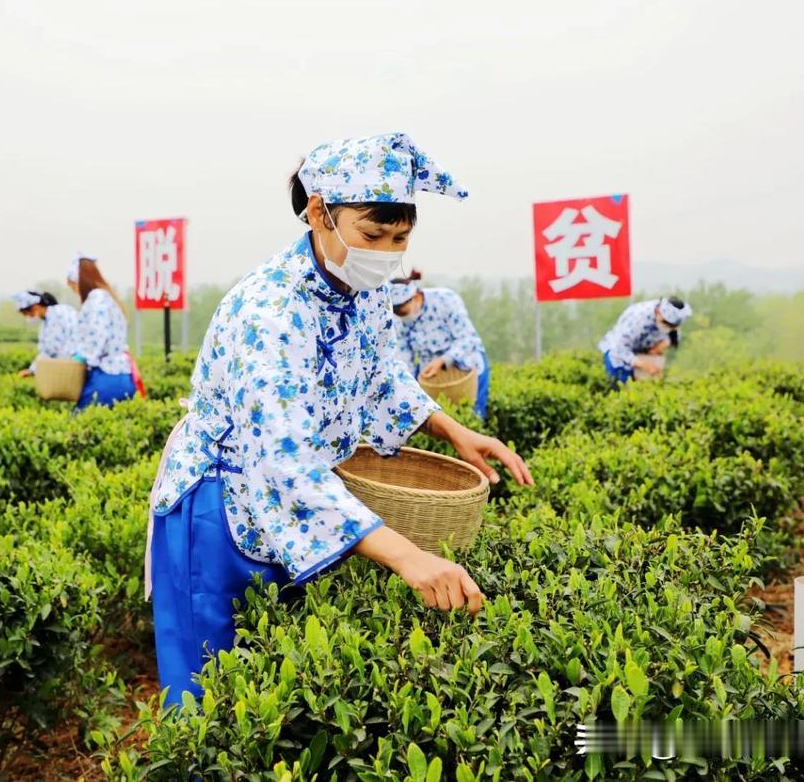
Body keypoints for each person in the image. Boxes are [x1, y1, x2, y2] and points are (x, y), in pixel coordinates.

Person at [147, 132, 533, 706]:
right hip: (222, 512)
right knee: (214, 703)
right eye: (372, 235)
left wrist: (457, 432)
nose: (386, 252)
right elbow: (286, 461)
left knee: (281, 698)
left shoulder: (362, 286)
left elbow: (383, 374)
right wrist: (409, 557)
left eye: (400, 238)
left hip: (298, 508)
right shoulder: (271, 312)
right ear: (319, 213)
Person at [388, 271, 491, 419]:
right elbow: (405, 357)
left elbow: (468, 338)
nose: (399, 314)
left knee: (472, 419)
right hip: (432, 377)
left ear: (415, 297)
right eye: (395, 311)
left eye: (401, 310)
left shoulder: (445, 300)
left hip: (466, 367)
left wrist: (443, 361)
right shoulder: (399, 321)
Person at [66, 254, 138, 410]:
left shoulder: (97, 298)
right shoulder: (106, 297)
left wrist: (82, 357)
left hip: (107, 376)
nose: (75, 291)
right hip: (121, 374)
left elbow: (98, 334)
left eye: (73, 286)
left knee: (81, 422)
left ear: (81, 281)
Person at [598, 296, 693, 385]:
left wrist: (660, 347)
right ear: (658, 312)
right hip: (618, 356)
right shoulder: (638, 318)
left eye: (672, 326)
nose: (668, 328)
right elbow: (619, 348)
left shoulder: (672, 319)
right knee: (620, 388)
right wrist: (644, 365)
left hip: (641, 353)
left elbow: (673, 334)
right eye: (666, 324)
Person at [12, 290, 79, 378]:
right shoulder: (46, 322)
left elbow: (53, 349)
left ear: (35, 307)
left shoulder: (58, 314)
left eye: (26, 314)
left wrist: (34, 369)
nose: (28, 317)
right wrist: (32, 370)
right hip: (68, 364)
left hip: (76, 363)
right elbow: (46, 350)